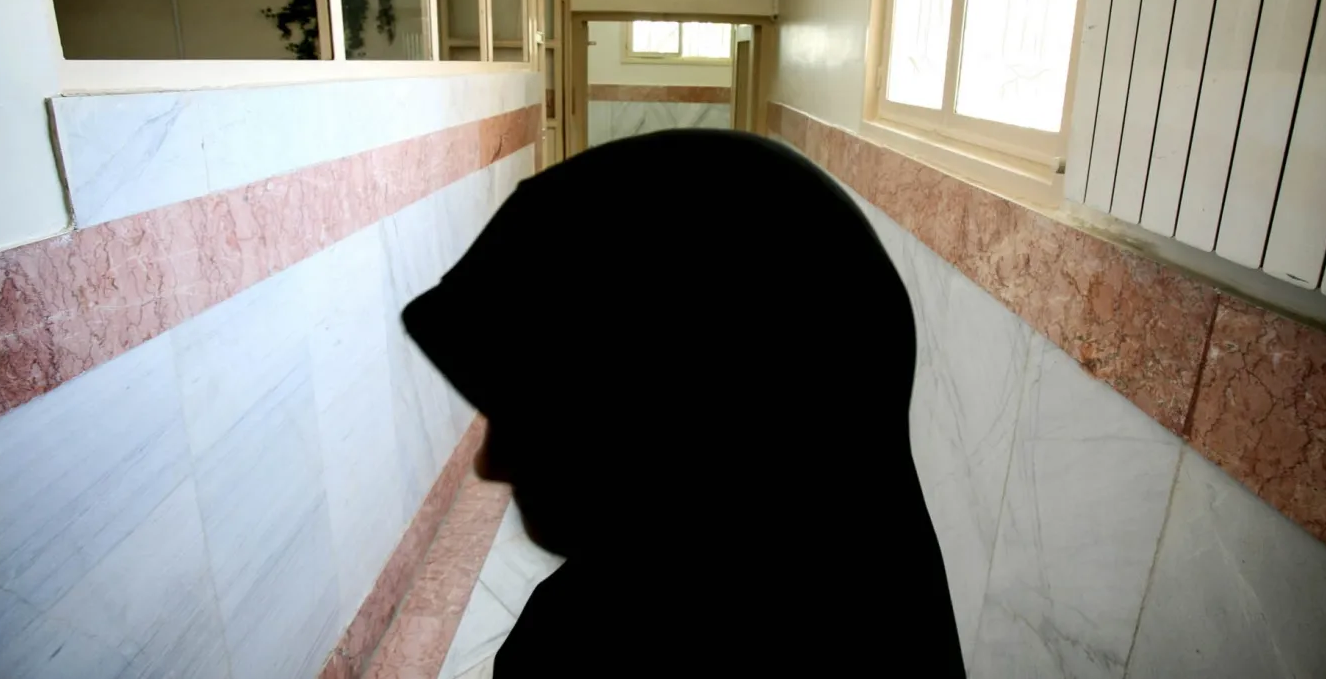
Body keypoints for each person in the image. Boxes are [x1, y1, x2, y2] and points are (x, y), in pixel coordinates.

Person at [403, 129, 965, 675]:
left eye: (542, 413)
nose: (488, 463)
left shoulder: (583, 646)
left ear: (687, 418)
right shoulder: (893, 616)